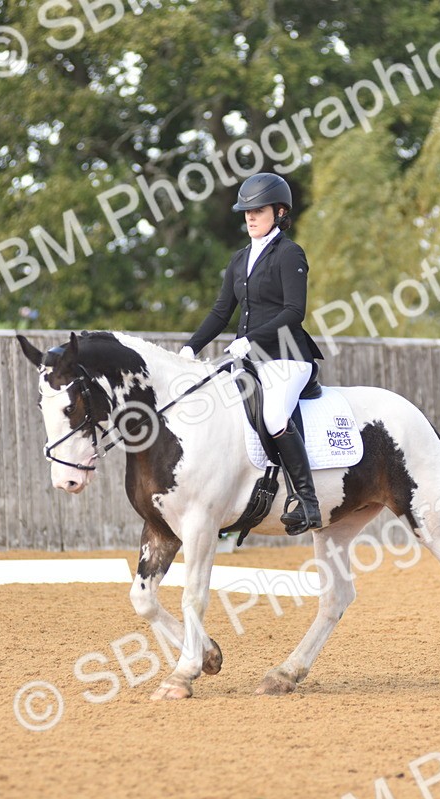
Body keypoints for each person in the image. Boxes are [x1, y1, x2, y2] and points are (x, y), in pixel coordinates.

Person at [180, 173, 325, 534]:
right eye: (246, 211)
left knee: (275, 416)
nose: (250, 217)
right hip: (250, 359)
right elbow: (220, 312)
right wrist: (190, 346)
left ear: (279, 212)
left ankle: (307, 501)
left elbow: (295, 311)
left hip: (287, 357)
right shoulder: (239, 259)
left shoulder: (289, 253)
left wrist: (252, 340)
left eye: (257, 210)